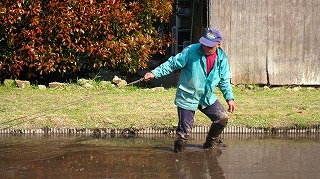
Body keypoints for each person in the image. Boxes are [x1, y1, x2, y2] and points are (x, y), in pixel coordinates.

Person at [144, 28, 236, 153]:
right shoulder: (191, 51)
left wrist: (229, 98)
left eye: (209, 46)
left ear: (218, 45)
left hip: (206, 96)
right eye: (204, 44)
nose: (205, 47)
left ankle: (209, 145)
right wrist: (155, 73)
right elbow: (172, 63)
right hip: (187, 95)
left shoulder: (222, 58)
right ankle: (178, 155)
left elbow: (224, 80)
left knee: (222, 118)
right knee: (184, 133)